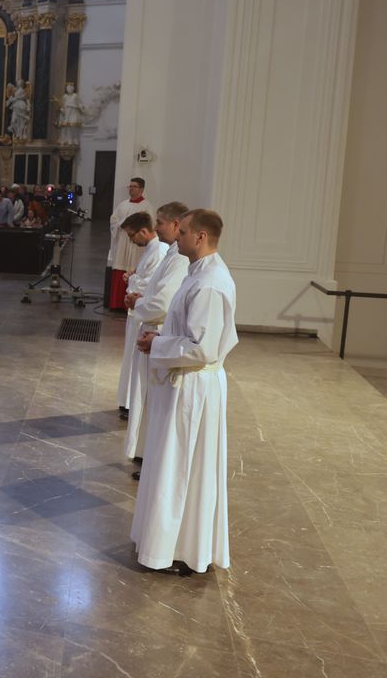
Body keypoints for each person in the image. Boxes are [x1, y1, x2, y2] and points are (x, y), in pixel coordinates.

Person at [132, 209, 237, 574]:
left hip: (194, 386)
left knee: (184, 470)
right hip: (184, 382)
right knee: (174, 466)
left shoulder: (209, 283)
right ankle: (168, 544)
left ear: (202, 237)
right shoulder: (198, 274)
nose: (178, 236)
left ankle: (185, 551)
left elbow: (203, 348)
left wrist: (158, 345)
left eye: (185, 232)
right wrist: (161, 339)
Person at [123, 202, 190, 467]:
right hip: (152, 329)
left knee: (151, 399)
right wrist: (143, 296)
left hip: (160, 333)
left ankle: (147, 455)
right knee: (145, 397)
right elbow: (157, 289)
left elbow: (163, 303)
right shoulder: (172, 252)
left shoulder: (179, 257)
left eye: (160, 222)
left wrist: (139, 302)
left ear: (175, 224)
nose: (156, 227)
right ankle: (143, 453)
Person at [114, 211, 167, 440]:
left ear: (144, 231)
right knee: (130, 360)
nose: (131, 240)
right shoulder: (151, 250)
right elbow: (145, 278)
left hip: (147, 314)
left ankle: (132, 403)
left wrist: (133, 280)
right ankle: (127, 401)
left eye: (132, 235)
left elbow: (151, 285)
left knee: (137, 365)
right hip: (138, 311)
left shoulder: (161, 250)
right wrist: (134, 277)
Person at [108, 177, 153, 310]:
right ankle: (116, 304)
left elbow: (149, 224)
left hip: (136, 245)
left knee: (134, 269)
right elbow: (113, 219)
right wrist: (120, 224)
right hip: (123, 240)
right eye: (130, 186)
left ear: (141, 189)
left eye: (134, 186)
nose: (131, 189)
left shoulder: (147, 206)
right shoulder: (123, 204)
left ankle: (130, 304)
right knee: (120, 268)